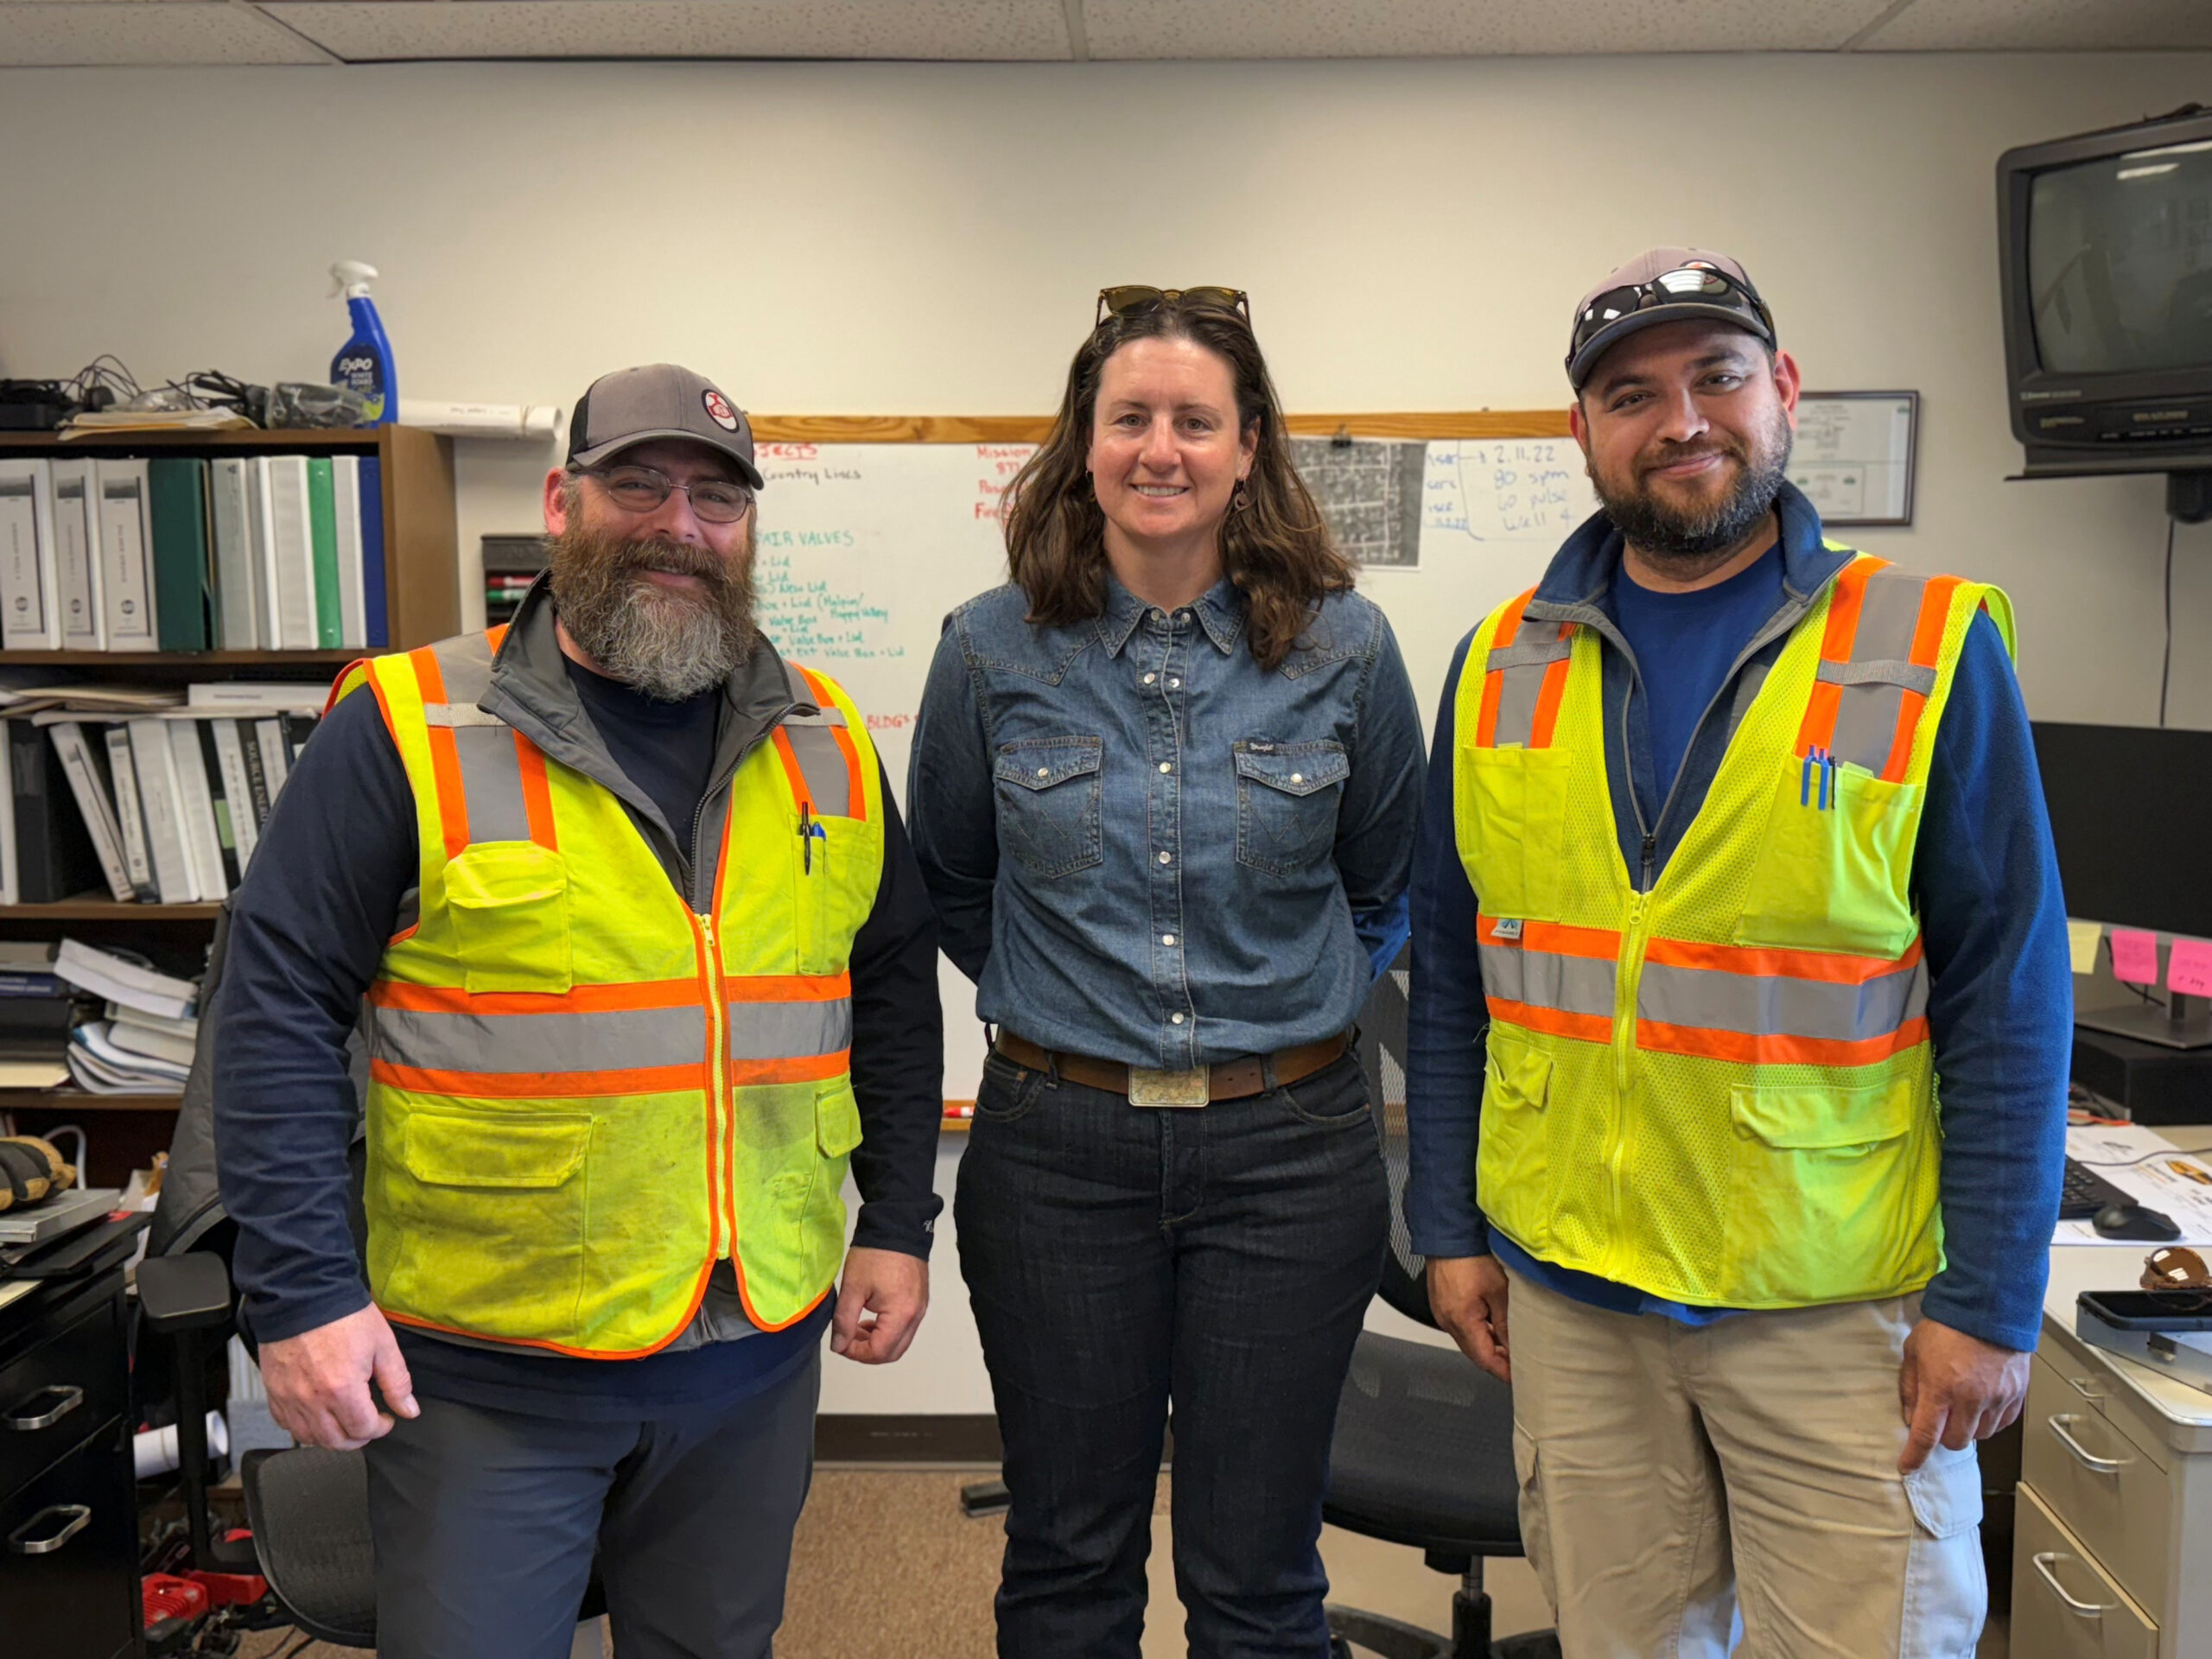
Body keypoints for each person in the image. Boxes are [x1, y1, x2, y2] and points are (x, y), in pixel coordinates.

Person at [213, 363, 945, 1659]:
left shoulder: (824, 737)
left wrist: (896, 1219)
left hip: (751, 1354)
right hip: (490, 1370)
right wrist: (300, 1294)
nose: (681, 523)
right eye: (640, 484)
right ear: (563, 502)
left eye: (718, 497)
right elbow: (272, 1011)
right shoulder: (408, 723)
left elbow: (884, 985)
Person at [1407, 250, 2070, 1655]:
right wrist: (1450, 1231)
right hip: (1577, 1301)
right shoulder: (1497, 666)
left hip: (1832, 1305)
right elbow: (1460, 982)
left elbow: (2009, 991)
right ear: (1580, 432)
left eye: (1716, 376)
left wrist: (1993, 1300)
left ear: (1782, 391)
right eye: (1631, 393)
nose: (1681, 420)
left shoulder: (1925, 647)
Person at [908, 286, 1426, 1656]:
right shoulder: (988, 649)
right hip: (1057, 1152)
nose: (1161, 448)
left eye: (1195, 420)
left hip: (1292, 1151)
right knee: (1068, 1555)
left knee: (1257, 1572)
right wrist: (1082, 1004)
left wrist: (1273, 1004)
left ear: (1249, 446)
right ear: (1085, 440)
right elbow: (955, 887)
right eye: (1129, 416)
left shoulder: (1347, 650)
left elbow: (1384, 887)